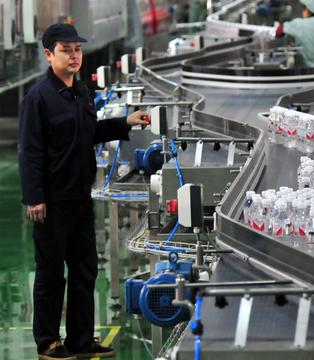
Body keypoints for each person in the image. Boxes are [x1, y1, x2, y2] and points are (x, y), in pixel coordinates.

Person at [17, 23, 148, 360]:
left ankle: (80, 339)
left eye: (77, 50)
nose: (74, 56)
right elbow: (30, 151)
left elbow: (90, 132)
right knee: (50, 274)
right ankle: (48, 341)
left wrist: (126, 122)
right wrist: (34, 196)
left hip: (79, 196)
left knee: (85, 270)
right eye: (66, 50)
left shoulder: (81, 92)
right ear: (49, 55)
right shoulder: (38, 98)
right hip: (52, 200)